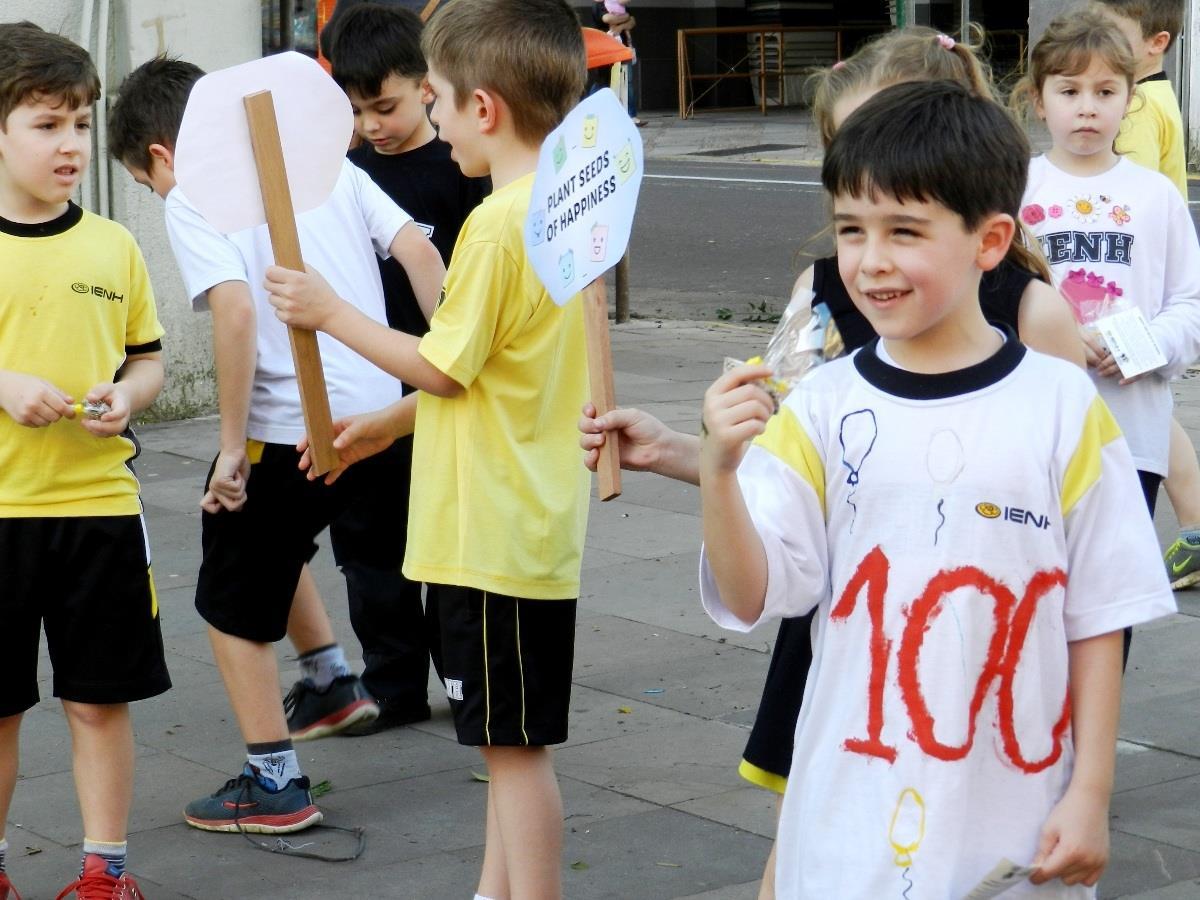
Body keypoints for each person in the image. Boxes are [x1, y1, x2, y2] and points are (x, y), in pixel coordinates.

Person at [584, 25, 1085, 900]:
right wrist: (684, 451)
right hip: (855, 621)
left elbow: (1073, 527)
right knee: (816, 837)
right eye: (843, 166)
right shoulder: (820, 296)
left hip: (983, 651)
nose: (867, 237)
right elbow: (787, 470)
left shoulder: (1034, 314)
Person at [700, 78, 1175, 897]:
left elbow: (1103, 611)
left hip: (1012, 822)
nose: (871, 259)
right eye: (852, 229)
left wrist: (1090, 790)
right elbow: (751, 597)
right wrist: (717, 472)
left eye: (905, 230)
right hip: (843, 819)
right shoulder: (818, 405)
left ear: (989, 240)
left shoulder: (1062, 407)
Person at [264, 1, 589, 894]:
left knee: (516, 758)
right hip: (515, 522)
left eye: (437, 98)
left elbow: (445, 368)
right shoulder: (549, 208)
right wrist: (388, 424)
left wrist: (331, 311)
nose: (435, 120)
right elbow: (488, 372)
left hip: (493, 532)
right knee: (502, 744)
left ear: (482, 107)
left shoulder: (495, 225)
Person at [106, 56, 445, 833]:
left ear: (161, 154)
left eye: (144, 178)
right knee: (265, 549)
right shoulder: (322, 166)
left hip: (295, 433)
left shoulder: (192, 193)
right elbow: (421, 256)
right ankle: (329, 679)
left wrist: (229, 448)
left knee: (227, 604)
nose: (157, 191)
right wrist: (447, 359)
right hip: (384, 420)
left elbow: (234, 314)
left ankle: (274, 782)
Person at [0, 21, 170, 899]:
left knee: (98, 700)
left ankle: (104, 874)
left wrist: (131, 396)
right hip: (0, 515)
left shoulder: (114, 244)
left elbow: (146, 357)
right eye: (44, 123)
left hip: (99, 509)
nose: (70, 144)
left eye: (78, 122)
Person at [322, 2, 491, 735]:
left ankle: (465, 680)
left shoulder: (462, 169)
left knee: (450, 545)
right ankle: (390, 684)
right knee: (367, 549)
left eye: (384, 106)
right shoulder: (343, 174)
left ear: (425, 84)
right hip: (366, 388)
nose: (370, 126)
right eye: (356, 112)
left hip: (446, 392)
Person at [1013, 10, 1200, 600]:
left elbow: (1189, 305)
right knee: (1036, 592)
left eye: (1104, 91)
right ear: (1040, 101)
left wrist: (1143, 349)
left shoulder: (1155, 197)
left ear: (1128, 100)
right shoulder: (1014, 189)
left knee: (1106, 599)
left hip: (1130, 432)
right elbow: (987, 302)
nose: (1087, 107)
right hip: (1031, 431)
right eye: (1069, 91)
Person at [1094, 0, 1200, 589]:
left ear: (1156, 43)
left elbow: (1111, 205)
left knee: (1149, 423)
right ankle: (1196, 526)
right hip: (1148, 304)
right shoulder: (1162, 98)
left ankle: (1195, 527)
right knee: (1161, 421)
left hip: (1119, 308)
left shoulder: (1134, 110)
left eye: (1112, 35)